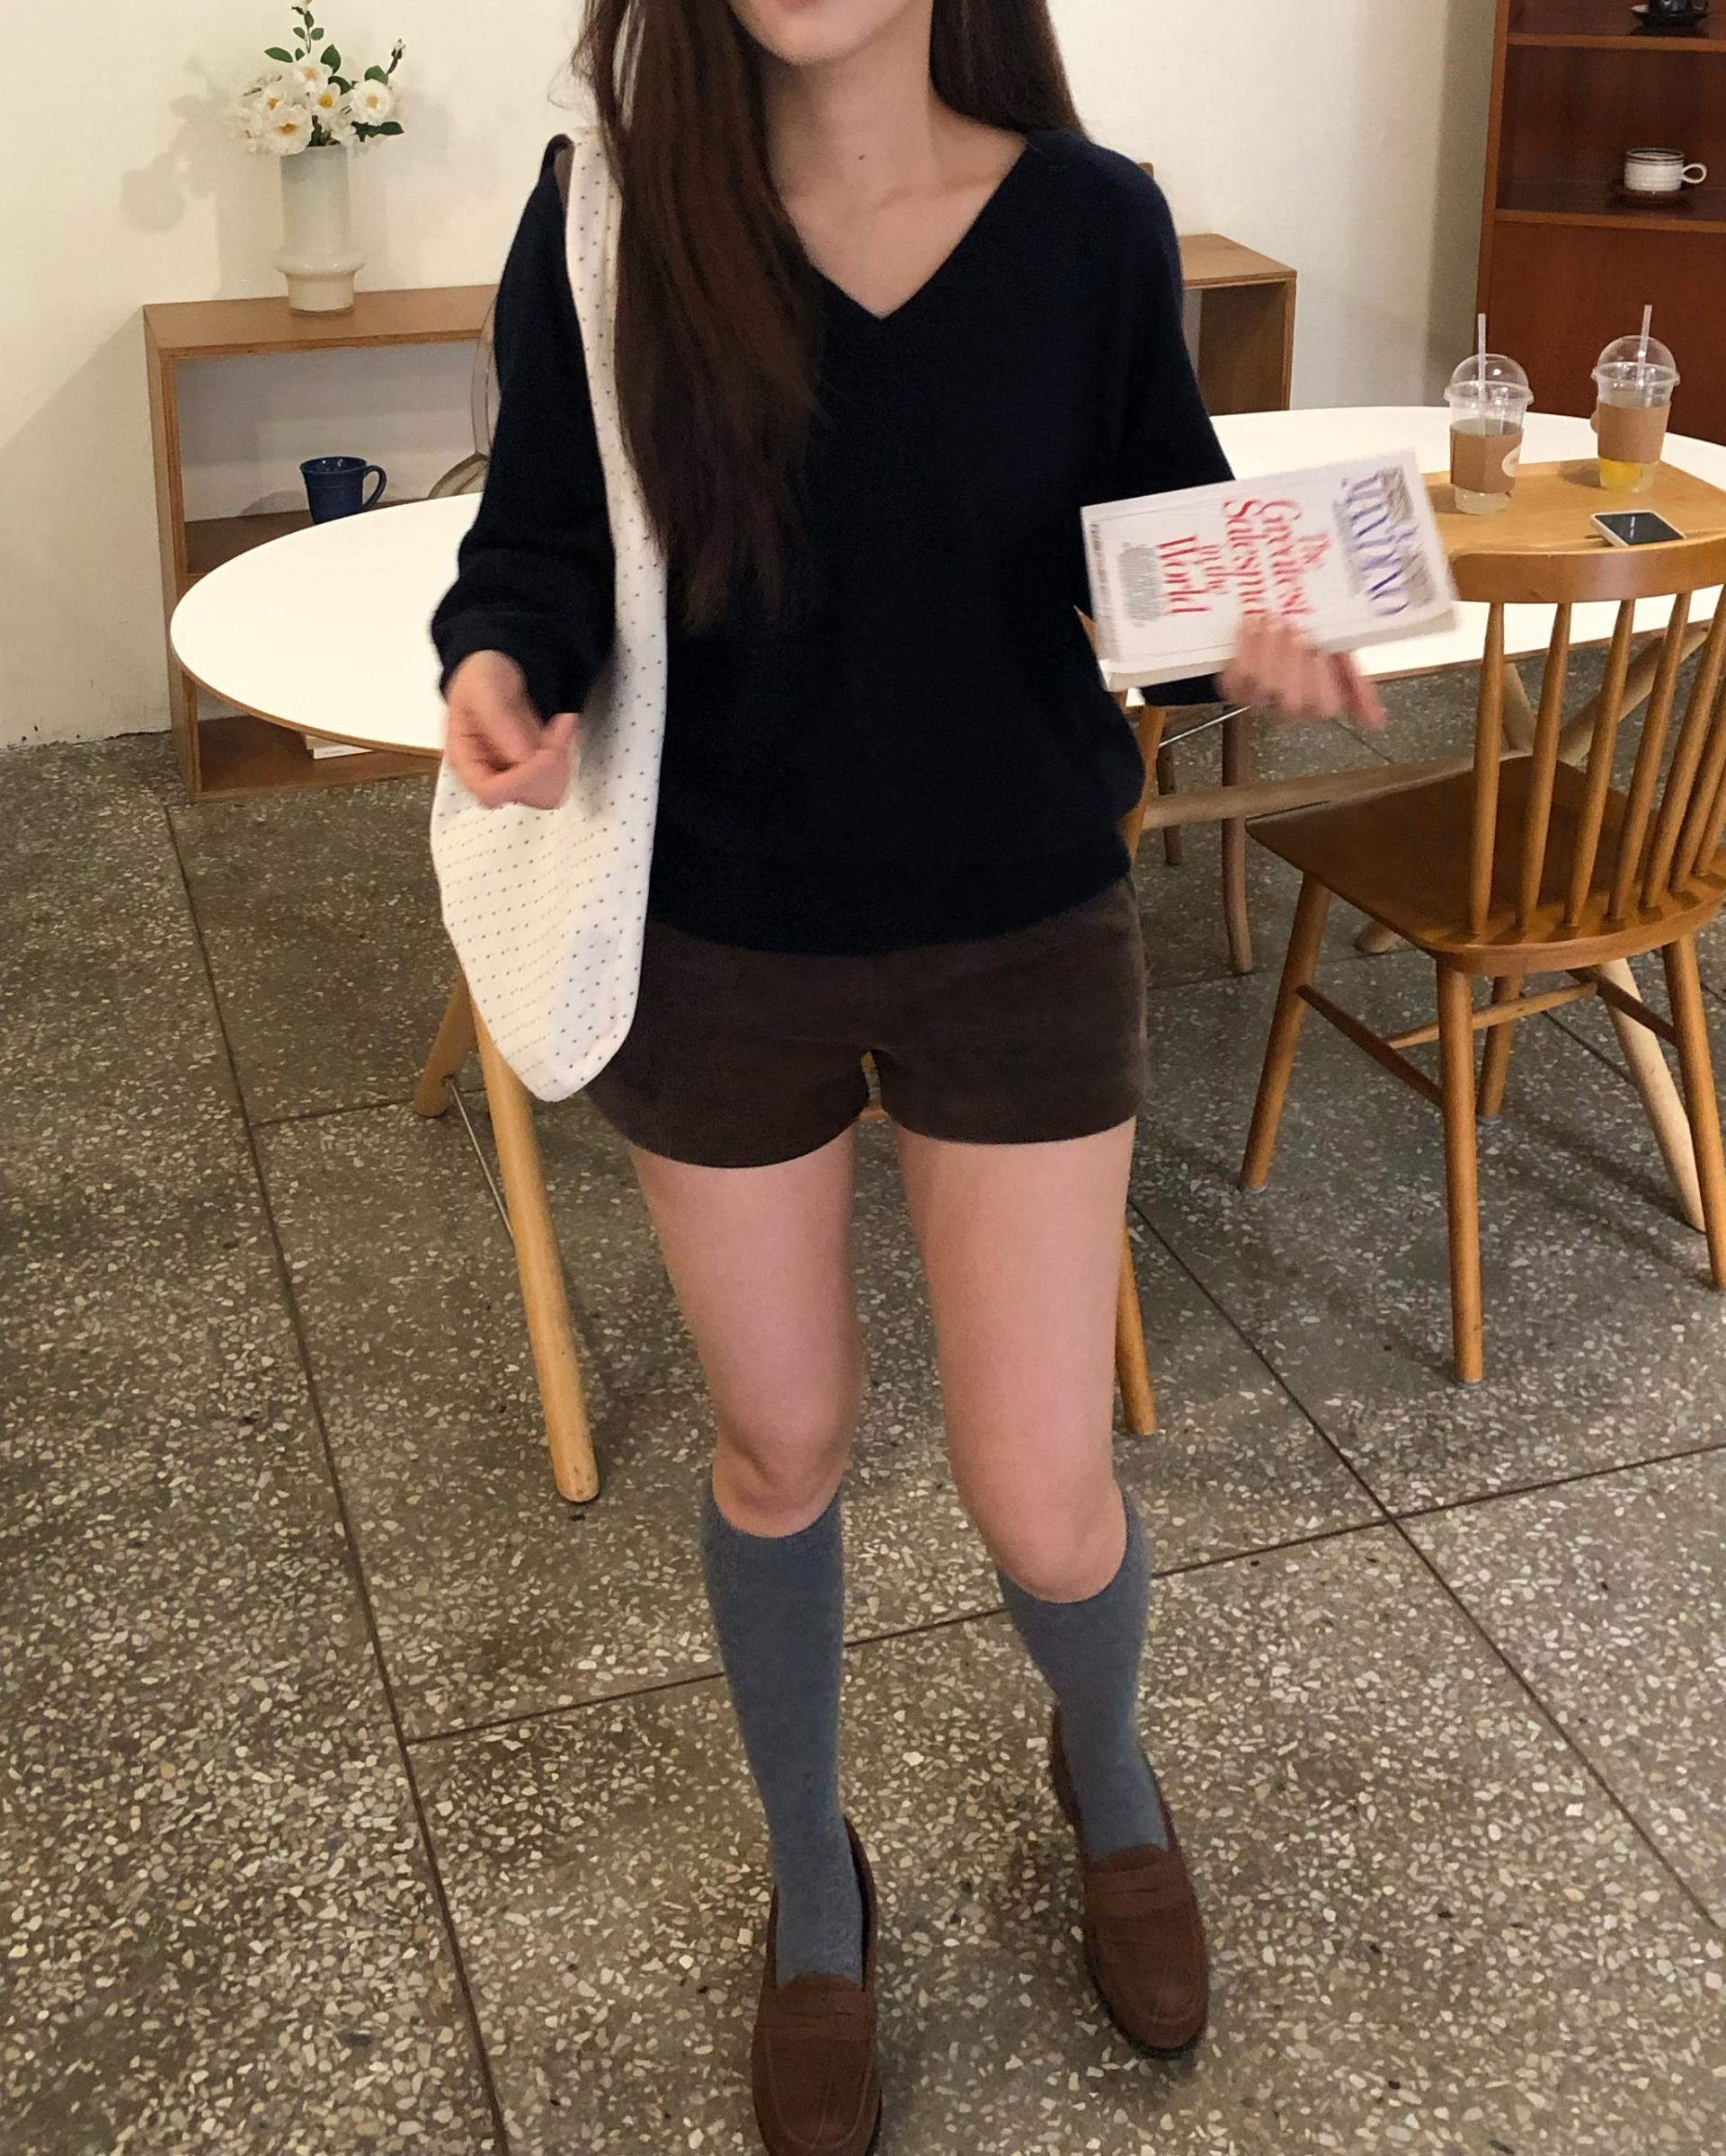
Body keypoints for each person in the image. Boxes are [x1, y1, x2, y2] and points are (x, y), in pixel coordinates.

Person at [432, 3, 1383, 2149]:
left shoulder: (1091, 225)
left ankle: (1107, 1774)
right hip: (715, 931)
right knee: (780, 1447)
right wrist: (499, 659)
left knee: (1042, 1486)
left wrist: (1238, 634)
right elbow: (540, 538)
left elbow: (1154, 555)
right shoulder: (608, 223)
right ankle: (810, 1880)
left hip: (1017, 925)